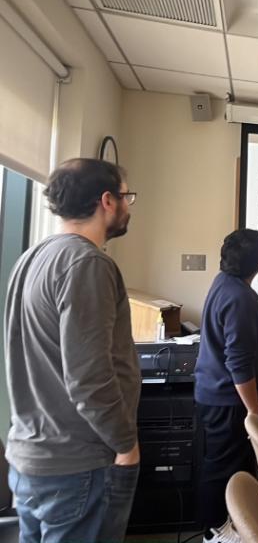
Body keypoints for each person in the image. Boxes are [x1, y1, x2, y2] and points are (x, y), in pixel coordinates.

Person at [4, 158, 141, 542]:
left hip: (32, 456)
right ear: (107, 201)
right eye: (127, 196)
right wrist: (125, 444)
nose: (129, 205)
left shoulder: (32, 258)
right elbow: (89, 378)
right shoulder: (87, 264)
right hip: (78, 465)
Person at [194, 228, 258, 543]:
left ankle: (226, 527)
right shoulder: (239, 298)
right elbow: (238, 363)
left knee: (227, 465)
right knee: (224, 470)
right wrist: (253, 412)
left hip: (220, 397)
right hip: (229, 403)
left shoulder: (225, 284)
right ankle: (217, 531)